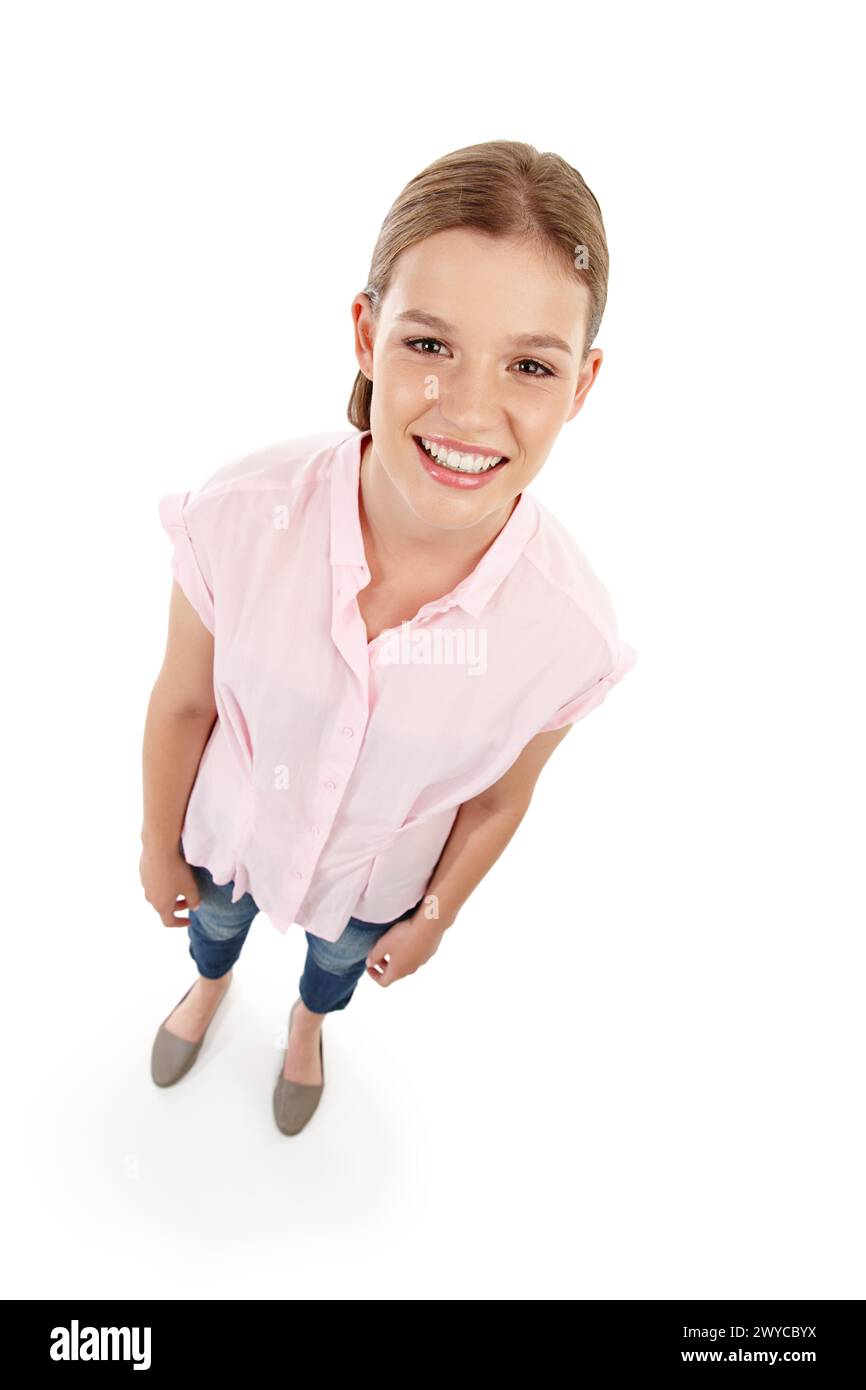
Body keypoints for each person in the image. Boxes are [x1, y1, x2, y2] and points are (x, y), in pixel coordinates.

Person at [140, 139, 638, 1136]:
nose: (466, 407)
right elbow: (185, 700)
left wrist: (436, 916)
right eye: (428, 344)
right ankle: (209, 987)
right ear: (366, 335)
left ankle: (303, 1030)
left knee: (333, 971)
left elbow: (499, 796)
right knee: (216, 931)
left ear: (579, 388)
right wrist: (158, 846)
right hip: (228, 839)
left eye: (529, 364)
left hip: (372, 884)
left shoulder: (568, 636)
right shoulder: (239, 514)